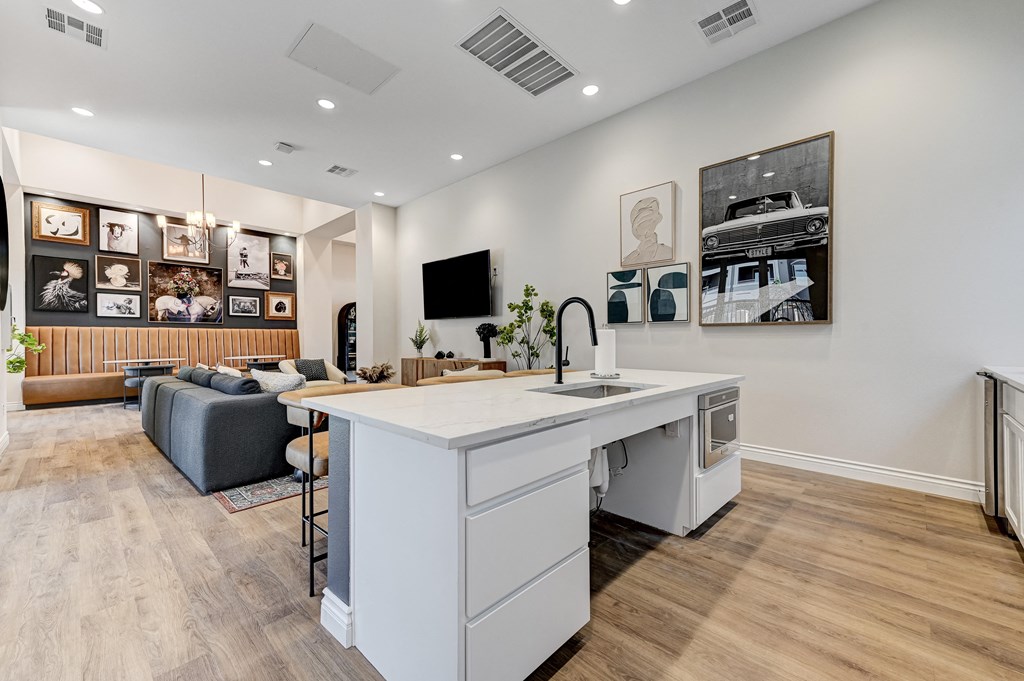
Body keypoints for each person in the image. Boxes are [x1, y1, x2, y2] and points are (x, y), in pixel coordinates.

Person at [622, 197, 672, 265]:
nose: (649, 226)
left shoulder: (667, 252)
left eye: (651, 221)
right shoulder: (630, 259)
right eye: (645, 221)